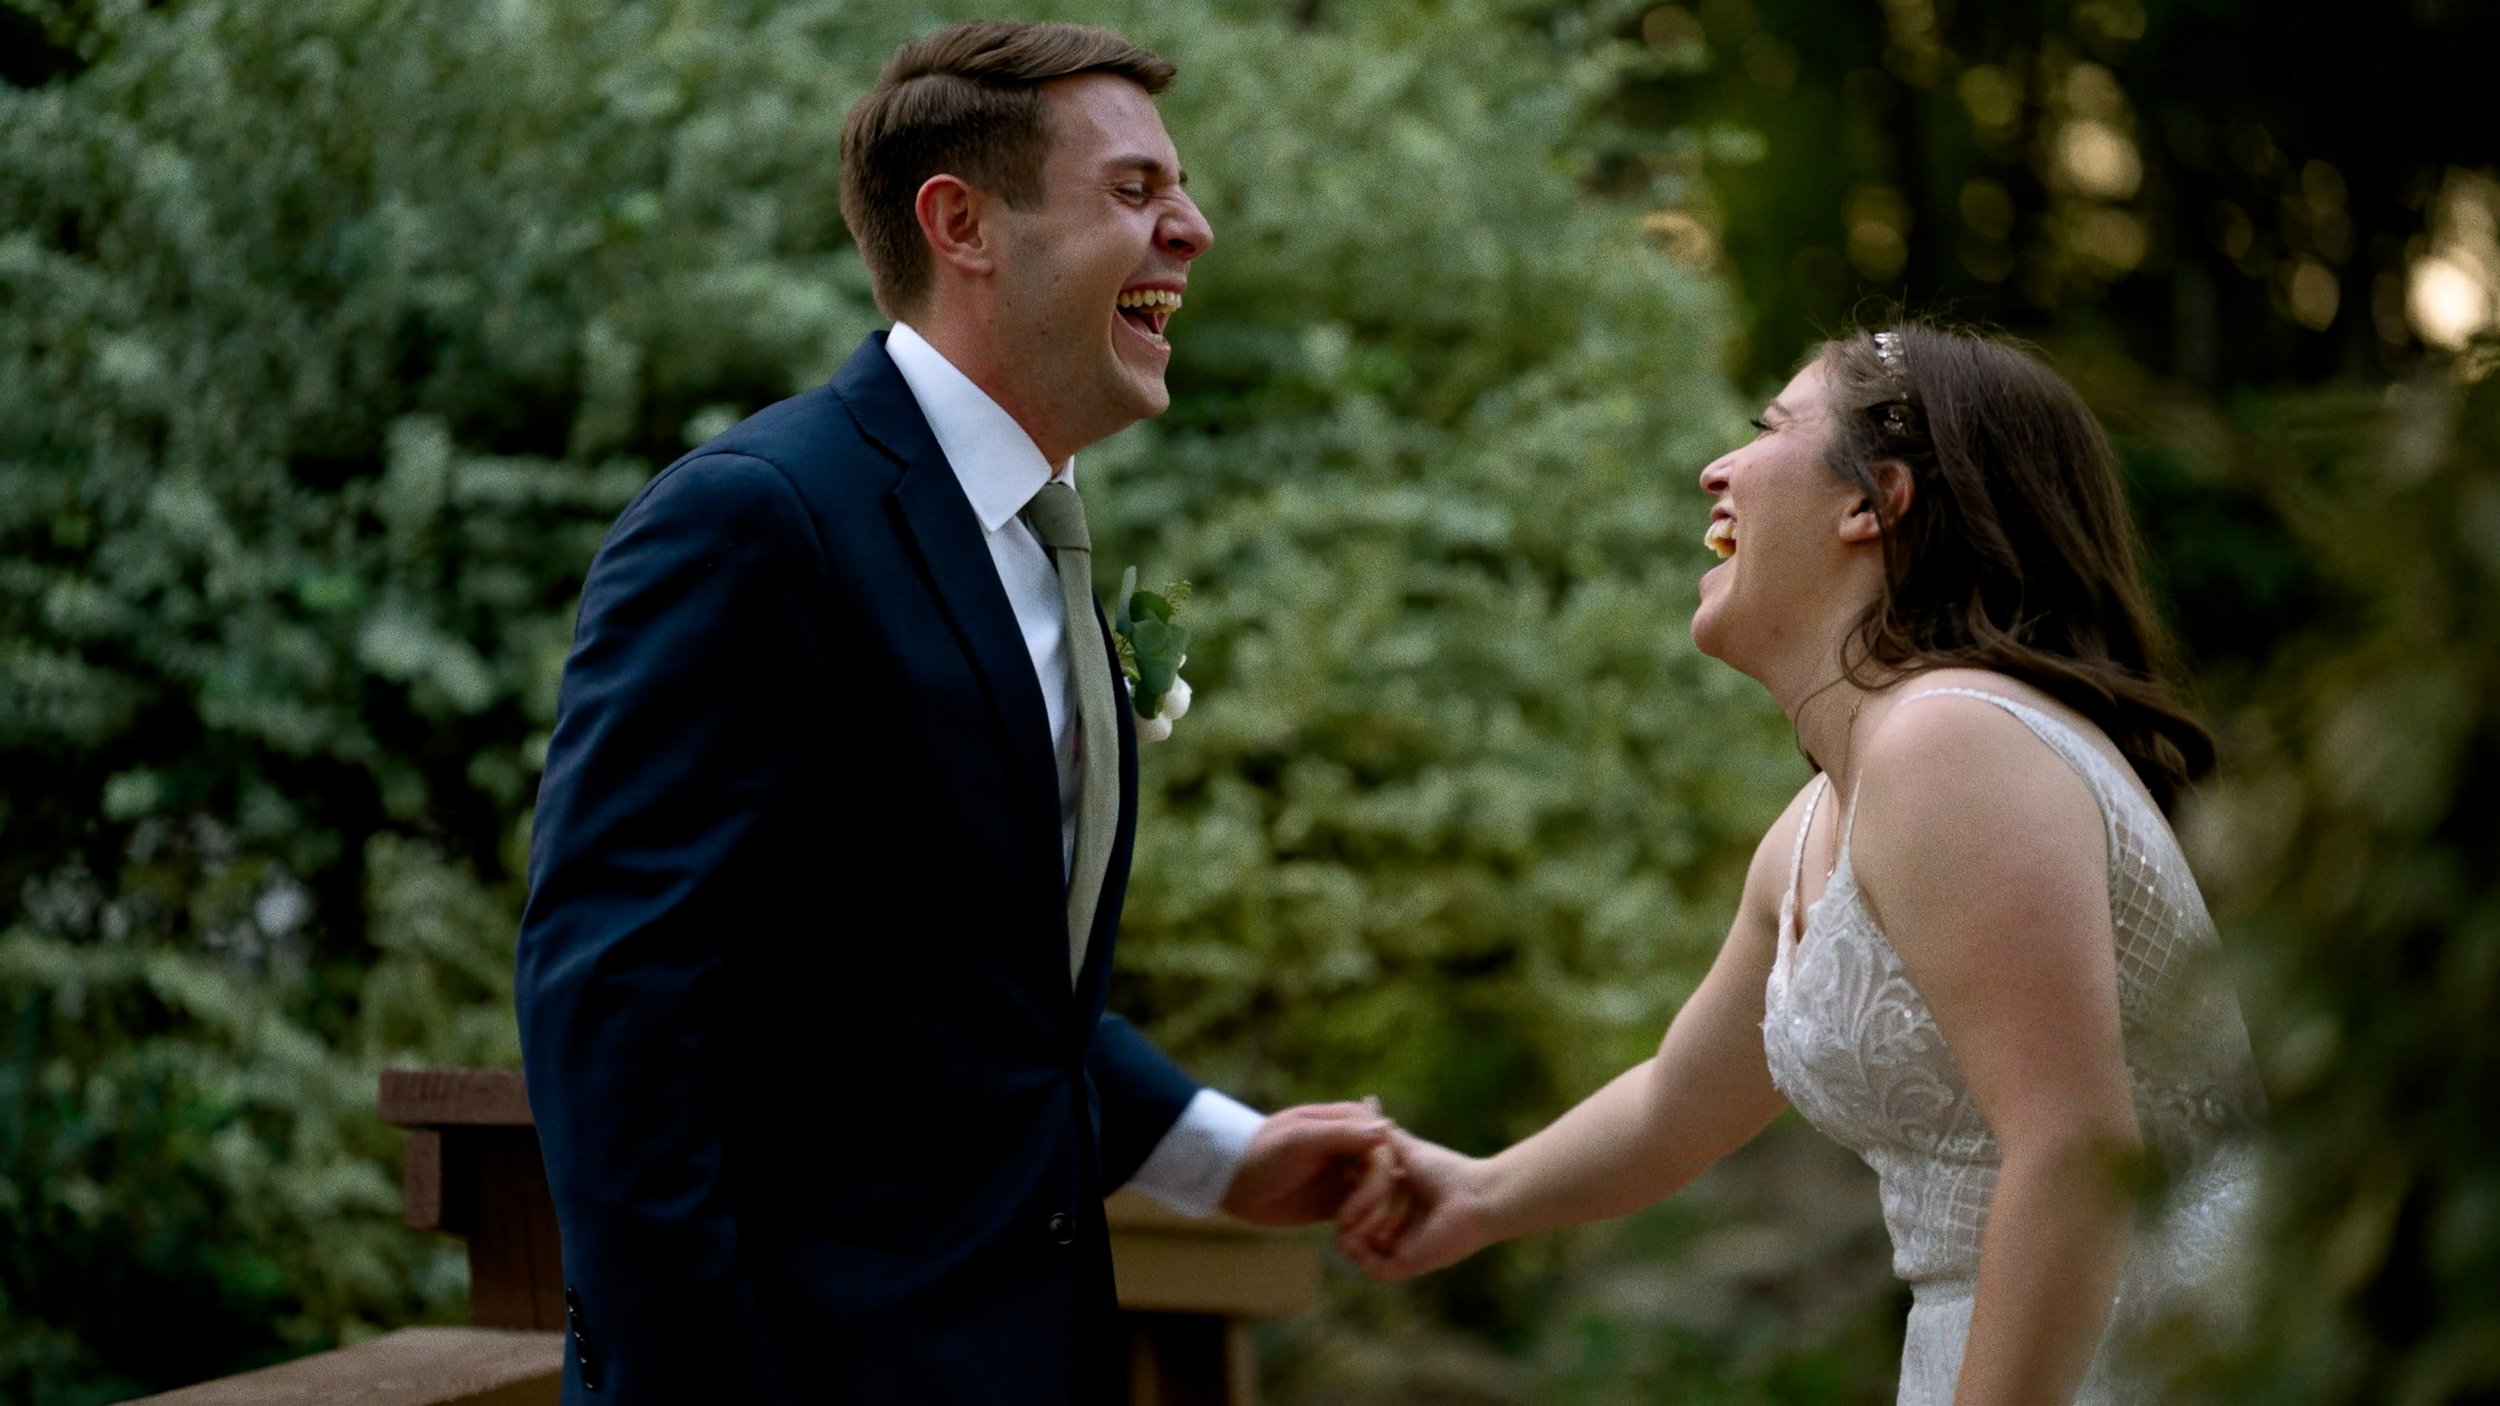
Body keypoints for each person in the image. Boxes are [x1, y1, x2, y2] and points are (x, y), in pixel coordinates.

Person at [514, 22, 1389, 1404]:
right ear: (961, 222)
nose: (1194, 228)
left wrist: (1218, 1150)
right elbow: (614, 999)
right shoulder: (758, 520)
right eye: (1134, 189)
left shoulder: (1042, 540)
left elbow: (964, 982)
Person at [1337, 325, 2266, 1404]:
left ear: (1872, 501)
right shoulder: (1827, 808)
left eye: (1767, 429)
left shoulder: (1951, 741)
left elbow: (2070, 1148)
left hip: (2146, 1347)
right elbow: (1673, 1106)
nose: (1714, 469)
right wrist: (1481, 1191)